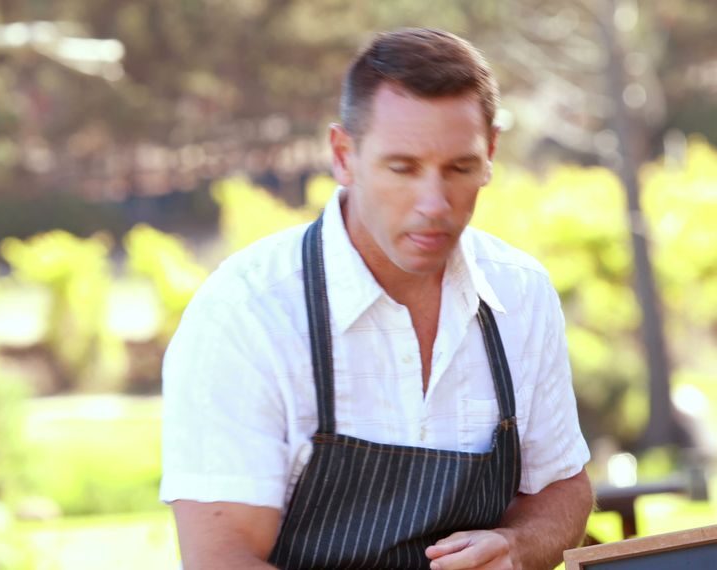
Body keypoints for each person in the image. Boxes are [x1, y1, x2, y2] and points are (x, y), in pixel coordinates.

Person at [160, 28, 593, 570]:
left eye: (459, 168)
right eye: (403, 168)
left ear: (490, 155)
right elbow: (223, 560)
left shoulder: (520, 293)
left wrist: (519, 547)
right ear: (344, 156)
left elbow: (562, 488)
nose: (434, 204)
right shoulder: (247, 313)